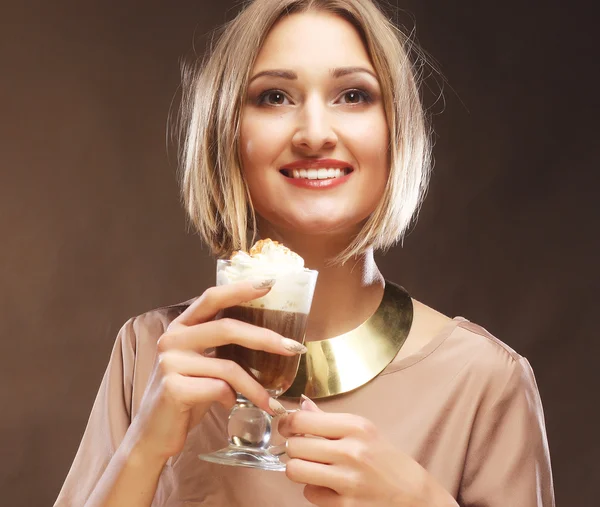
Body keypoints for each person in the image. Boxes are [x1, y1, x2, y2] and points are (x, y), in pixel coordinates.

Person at [55, 0, 554, 505]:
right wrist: (144, 450)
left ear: (395, 129)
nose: (315, 134)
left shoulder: (484, 381)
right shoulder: (148, 355)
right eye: (274, 96)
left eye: (353, 95)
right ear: (226, 130)